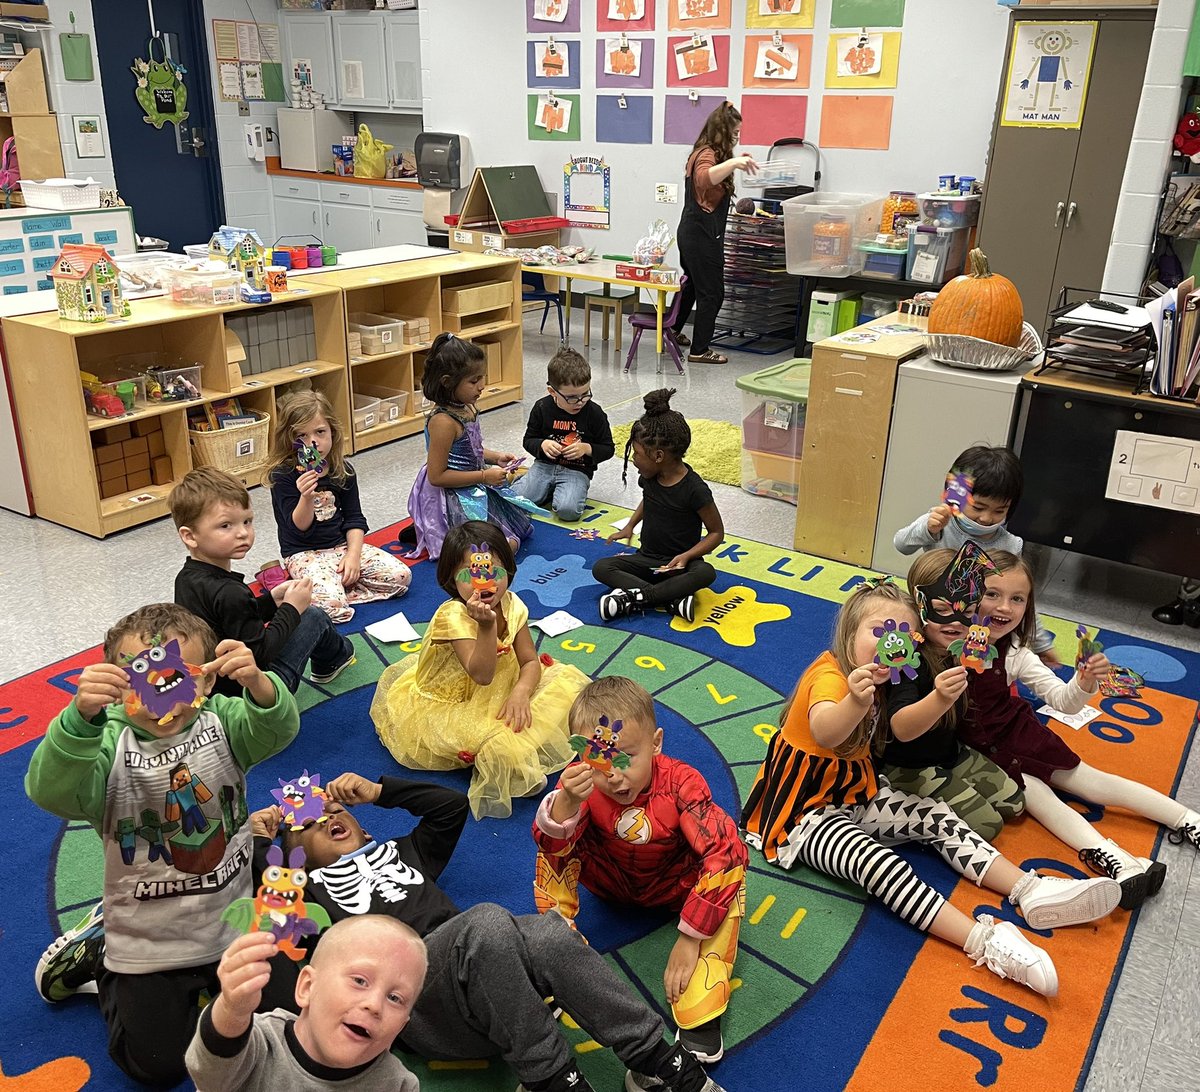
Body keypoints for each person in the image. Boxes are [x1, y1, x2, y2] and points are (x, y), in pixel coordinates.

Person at [740, 581, 1122, 999]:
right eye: (879, 631)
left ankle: (1030, 890)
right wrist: (855, 700)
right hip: (804, 817)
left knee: (934, 815)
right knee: (878, 865)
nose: (892, 642)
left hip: (854, 794)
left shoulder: (892, 675)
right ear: (849, 634)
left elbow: (904, 723)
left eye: (903, 633)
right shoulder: (832, 678)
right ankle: (984, 941)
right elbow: (826, 732)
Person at [255, 771, 731, 1092]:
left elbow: (449, 808)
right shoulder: (309, 892)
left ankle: (654, 1059)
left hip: (490, 981)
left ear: (365, 830)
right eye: (312, 827)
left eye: (335, 813)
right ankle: (550, 1078)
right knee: (484, 921)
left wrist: (382, 791)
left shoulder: (403, 854)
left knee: (549, 933)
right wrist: (262, 843)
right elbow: (268, 908)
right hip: (418, 1004)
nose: (329, 819)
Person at [25, 603, 300, 1086]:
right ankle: (98, 953)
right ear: (118, 687)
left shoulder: (224, 721)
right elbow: (50, 791)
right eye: (141, 681)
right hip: (148, 938)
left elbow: (277, 730)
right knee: (155, 1064)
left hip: (230, 920)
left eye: (179, 679)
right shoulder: (107, 746)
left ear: (208, 681)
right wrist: (78, 720)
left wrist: (259, 685)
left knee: (288, 1016)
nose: (163, 701)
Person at [954, 550, 1200, 909]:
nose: (1004, 607)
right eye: (992, 594)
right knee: (1041, 801)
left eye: (1017, 599)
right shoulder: (946, 639)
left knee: (1091, 783)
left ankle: (1187, 818)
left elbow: (1061, 700)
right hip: (978, 755)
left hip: (1017, 735)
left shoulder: (1017, 652)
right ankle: (1119, 862)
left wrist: (1083, 682)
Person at [532, 677, 746, 1065]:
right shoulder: (581, 782)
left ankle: (702, 1000)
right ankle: (556, 955)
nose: (612, 775)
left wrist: (690, 936)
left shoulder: (682, 783)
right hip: (612, 881)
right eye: (599, 760)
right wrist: (564, 802)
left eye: (625, 756)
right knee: (550, 844)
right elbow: (551, 848)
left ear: (656, 743)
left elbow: (724, 853)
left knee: (731, 868)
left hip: (675, 889)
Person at [370, 521, 587, 819]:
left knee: (570, 689)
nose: (484, 583)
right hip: (453, 702)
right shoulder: (453, 615)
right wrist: (486, 626)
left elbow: (529, 661)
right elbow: (482, 675)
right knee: (505, 752)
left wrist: (522, 693)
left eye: (493, 572)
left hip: (503, 682)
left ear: (508, 571)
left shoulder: (511, 602)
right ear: (451, 578)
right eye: (470, 575)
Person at [877, 550, 1025, 841]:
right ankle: (896, 805)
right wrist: (940, 698)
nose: (956, 621)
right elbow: (902, 728)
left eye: (967, 610)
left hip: (949, 752)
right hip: (907, 766)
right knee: (988, 827)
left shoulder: (960, 647)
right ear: (920, 606)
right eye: (942, 608)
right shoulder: (909, 660)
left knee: (1015, 805)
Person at [172, 467, 356, 696]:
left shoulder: (185, 578)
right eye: (225, 525)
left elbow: (231, 622)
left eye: (247, 521)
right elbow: (261, 655)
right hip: (257, 695)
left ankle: (334, 655)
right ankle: (335, 658)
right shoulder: (229, 591)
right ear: (190, 536)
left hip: (215, 689)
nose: (242, 533)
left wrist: (271, 601)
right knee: (312, 616)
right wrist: (291, 608)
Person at [184, 918, 424, 1091]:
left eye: (395, 998)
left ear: (401, 1027)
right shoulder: (260, 1045)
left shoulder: (399, 1085)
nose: (374, 1005)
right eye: (360, 981)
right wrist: (233, 1010)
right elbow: (208, 1075)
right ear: (307, 987)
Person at [892, 444, 1057, 659]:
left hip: (975, 629)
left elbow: (1020, 598)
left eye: (999, 511)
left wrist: (1041, 644)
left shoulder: (1010, 545)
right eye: (978, 507)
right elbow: (901, 544)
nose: (987, 518)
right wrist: (928, 529)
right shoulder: (941, 522)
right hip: (930, 618)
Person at [265, 390, 411, 623]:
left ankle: (334, 589)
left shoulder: (343, 470)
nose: (312, 443)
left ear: (332, 431)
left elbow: (354, 519)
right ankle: (332, 593)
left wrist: (353, 556)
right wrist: (306, 496)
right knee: (332, 607)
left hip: (341, 547)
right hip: (303, 553)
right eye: (301, 436)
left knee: (401, 576)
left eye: (320, 432)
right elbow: (298, 528)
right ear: (289, 440)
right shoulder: (283, 475)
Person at [407, 332, 545, 560]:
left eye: (482, 377)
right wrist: (483, 475)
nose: (482, 386)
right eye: (473, 381)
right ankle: (432, 527)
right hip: (450, 493)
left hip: (474, 482)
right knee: (492, 549)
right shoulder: (443, 421)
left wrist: (494, 457)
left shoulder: (467, 406)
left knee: (517, 529)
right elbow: (437, 476)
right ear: (448, 382)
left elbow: (470, 449)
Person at [595, 388, 722, 625]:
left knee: (706, 573)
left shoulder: (695, 489)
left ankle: (640, 596)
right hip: (648, 559)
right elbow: (649, 500)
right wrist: (630, 525)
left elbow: (716, 532)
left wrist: (686, 556)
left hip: (681, 564)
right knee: (602, 567)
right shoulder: (650, 477)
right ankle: (670, 599)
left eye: (637, 453)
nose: (633, 459)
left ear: (659, 456)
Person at [671, 101, 758, 365]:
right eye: (733, 133)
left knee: (695, 286)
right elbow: (703, 178)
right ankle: (700, 350)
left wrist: (734, 163)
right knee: (712, 292)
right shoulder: (706, 154)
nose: (736, 137)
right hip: (699, 235)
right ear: (721, 131)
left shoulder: (709, 153)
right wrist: (734, 163)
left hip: (695, 232)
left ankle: (672, 331)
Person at [513, 346, 615, 522]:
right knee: (516, 500)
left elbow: (608, 448)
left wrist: (587, 448)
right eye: (572, 397)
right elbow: (529, 440)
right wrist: (542, 444)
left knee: (568, 511)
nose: (580, 402)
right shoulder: (542, 407)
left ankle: (549, 490)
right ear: (552, 392)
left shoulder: (594, 413)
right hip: (544, 466)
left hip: (576, 470)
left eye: (585, 394)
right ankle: (535, 485)